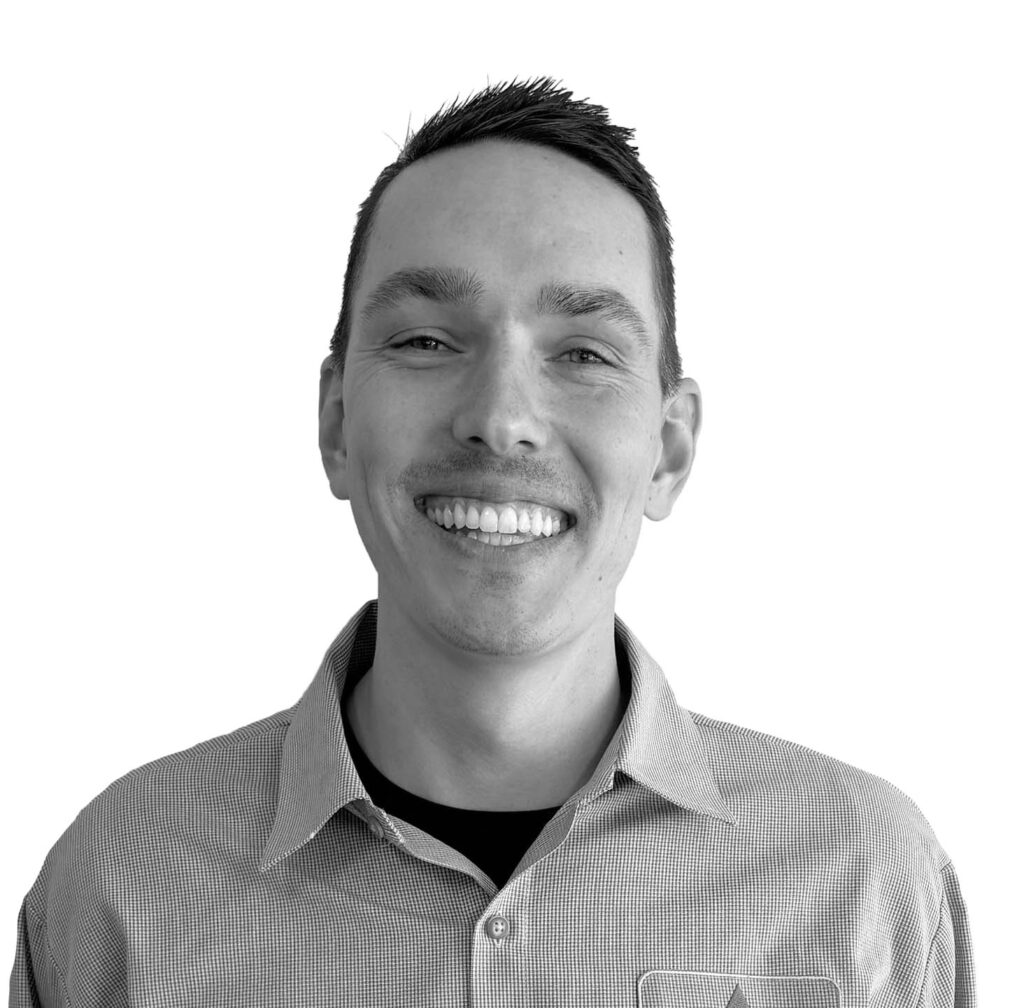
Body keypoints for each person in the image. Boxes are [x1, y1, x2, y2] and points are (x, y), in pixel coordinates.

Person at [10, 77, 974, 1008]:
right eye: (427, 341)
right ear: (337, 422)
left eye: (584, 353)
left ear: (670, 450)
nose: (501, 419)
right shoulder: (117, 888)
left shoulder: (868, 881)